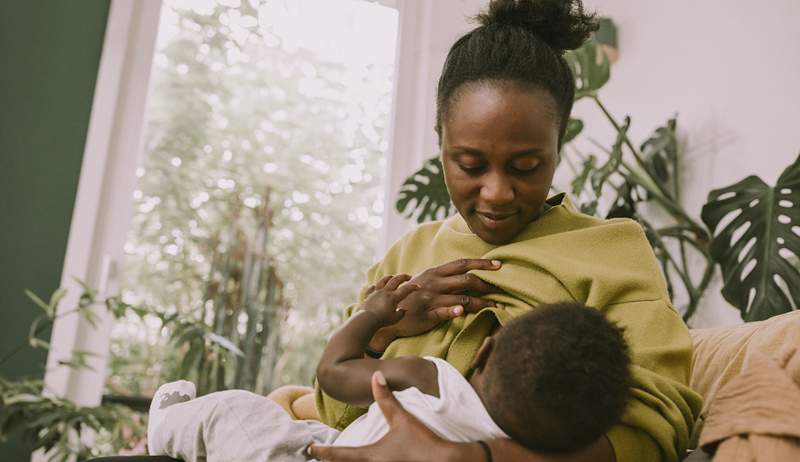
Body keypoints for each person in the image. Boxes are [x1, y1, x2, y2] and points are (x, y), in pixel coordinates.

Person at [309, 1, 703, 461]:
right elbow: (331, 412)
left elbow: (655, 428)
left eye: (526, 167)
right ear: (441, 143)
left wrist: (480, 458)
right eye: (470, 164)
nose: (497, 193)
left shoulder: (613, 251)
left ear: (558, 146)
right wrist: (380, 333)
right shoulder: (405, 257)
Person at [145, 276, 631, 461]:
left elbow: (335, 372)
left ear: (483, 353)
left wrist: (373, 316)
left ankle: (167, 425)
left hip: (318, 459)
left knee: (239, 410)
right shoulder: (528, 452)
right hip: (336, 444)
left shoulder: (435, 380)